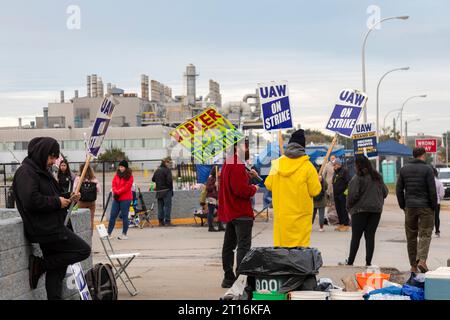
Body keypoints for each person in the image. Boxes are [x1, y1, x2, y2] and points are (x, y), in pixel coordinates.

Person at [12, 137, 91, 300]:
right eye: (52, 157)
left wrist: (68, 197)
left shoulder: (42, 172)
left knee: (57, 271)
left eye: (56, 157)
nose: (54, 161)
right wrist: (57, 202)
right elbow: (31, 200)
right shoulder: (26, 173)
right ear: (42, 153)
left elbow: (51, 196)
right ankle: (41, 265)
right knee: (83, 250)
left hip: (53, 226)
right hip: (46, 229)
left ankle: (50, 281)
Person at [265, 129, 322, 247]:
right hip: (301, 219)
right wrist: (318, 180)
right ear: (303, 147)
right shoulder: (308, 167)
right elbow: (315, 191)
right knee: (299, 254)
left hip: (282, 217)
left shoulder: (277, 164)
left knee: (282, 252)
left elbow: (269, 185)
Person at [218, 138, 259, 288]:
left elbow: (233, 183)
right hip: (241, 212)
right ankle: (240, 280)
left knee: (229, 245)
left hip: (231, 212)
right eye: (247, 147)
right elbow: (240, 190)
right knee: (243, 246)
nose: (248, 150)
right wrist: (253, 189)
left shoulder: (229, 163)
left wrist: (248, 176)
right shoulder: (236, 164)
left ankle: (228, 277)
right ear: (239, 147)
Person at [340, 155, 388, 267]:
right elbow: (385, 192)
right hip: (376, 210)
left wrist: (348, 207)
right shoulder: (377, 177)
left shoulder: (357, 178)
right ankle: (368, 262)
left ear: (358, 165)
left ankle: (350, 261)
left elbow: (352, 196)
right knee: (370, 236)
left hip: (359, 210)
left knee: (356, 236)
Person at [396, 147, 437, 273]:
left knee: (411, 236)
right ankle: (422, 260)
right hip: (425, 207)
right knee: (425, 233)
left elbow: (399, 190)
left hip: (410, 207)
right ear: (423, 155)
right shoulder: (428, 169)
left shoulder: (404, 169)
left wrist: (403, 205)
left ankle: (413, 266)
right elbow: (432, 190)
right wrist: (433, 206)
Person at [108, 160, 134, 240]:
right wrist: (115, 190)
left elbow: (127, 187)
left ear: (125, 167)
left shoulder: (130, 176)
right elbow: (113, 183)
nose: (120, 168)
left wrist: (118, 192)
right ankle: (108, 234)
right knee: (112, 215)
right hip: (117, 198)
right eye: (119, 167)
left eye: (122, 167)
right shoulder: (117, 175)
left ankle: (124, 234)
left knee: (124, 216)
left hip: (125, 199)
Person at [73, 164, 101, 232]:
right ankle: (89, 236)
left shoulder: (78, 178)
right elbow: (99, 190)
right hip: (91, 203)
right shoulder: (94, 179)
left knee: (80, 219)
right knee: (91, 220)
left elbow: (74, 190)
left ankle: (81, 235)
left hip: (81, 202)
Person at [152, 157, 174, 226]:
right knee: (167, 206)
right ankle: (167, 221)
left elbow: (153, 179)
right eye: (168, 162)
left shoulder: (157, 170)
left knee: (160, 207)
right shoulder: (167, 170)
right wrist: (170, 188)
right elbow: (169, 181)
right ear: (165, 163)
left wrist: (159, 183)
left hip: (159, 191)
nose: (169, 164)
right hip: (167, 190)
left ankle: (160, 222)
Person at [333, 158, 351, 232]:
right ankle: (341, 224)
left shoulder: (344, 171)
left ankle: (346, 224)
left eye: (335, 164)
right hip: (336, 194)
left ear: (339, 164)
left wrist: (345, 193)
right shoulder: (336, 172)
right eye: (333, 165)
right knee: (338, 210)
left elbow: (349, 182)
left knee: (343, 210)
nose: (334, 166)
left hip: (342, 194)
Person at [205, 166, 225, 232]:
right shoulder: (211, 178)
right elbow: (207, 188)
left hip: (217, 197)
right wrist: (214, 185)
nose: (220, 172)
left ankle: (220, 225)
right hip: (211, 197)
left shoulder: (218, 178)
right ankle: (210, 227)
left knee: (221, 211)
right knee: (211, 212)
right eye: (218, 171)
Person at [433, 168, 445, 238]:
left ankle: (426, 230)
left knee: (427, 216)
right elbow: (442, 194)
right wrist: (439, 199)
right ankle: (437, 231)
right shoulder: (439, 182)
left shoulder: (425, 181)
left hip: (427, 202)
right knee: (436, 217)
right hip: (436, 202)